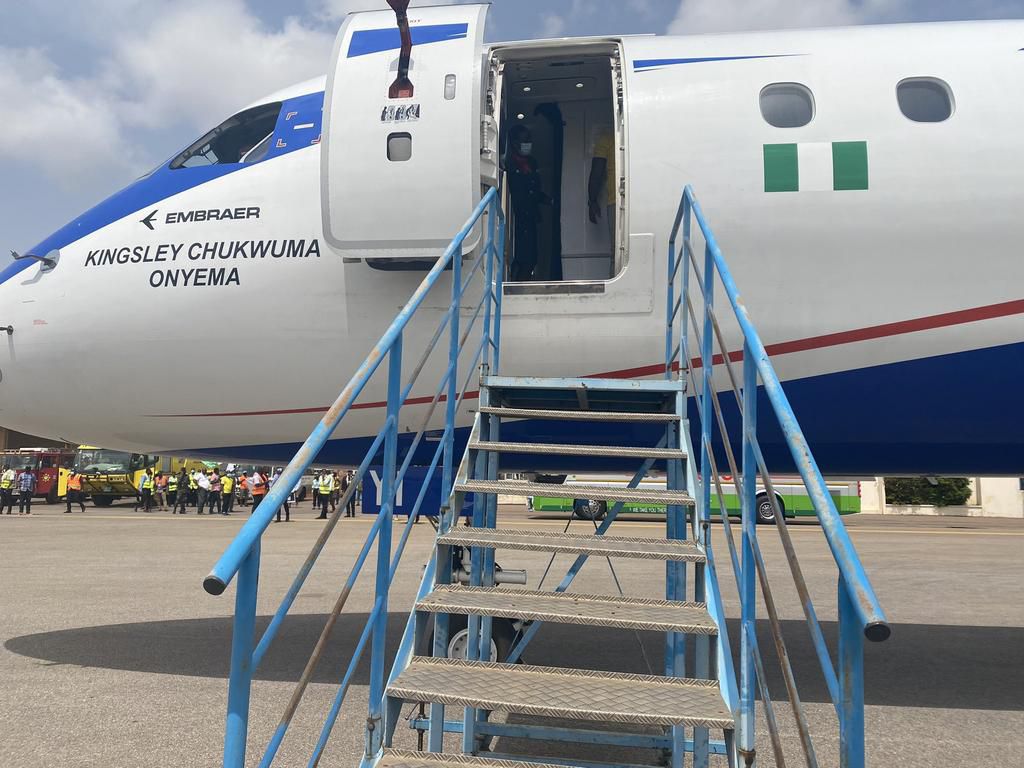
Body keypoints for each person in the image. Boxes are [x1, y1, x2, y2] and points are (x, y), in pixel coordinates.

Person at [506, 124, 552, 281]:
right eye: (524, 140)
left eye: (529, 140)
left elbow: (534, 191)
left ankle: (522, 284)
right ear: (514, 143)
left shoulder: (532, 163)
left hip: (530, 217)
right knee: (517, 258)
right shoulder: (507, 163)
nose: (528, 144)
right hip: (514, 217)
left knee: (530, 259)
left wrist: (549, 200)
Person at [588, 128, 616, 264]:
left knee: (617, 254)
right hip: (635, 200)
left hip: (616, 201)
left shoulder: (606, 140)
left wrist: (592, 201)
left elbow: (596, 173)